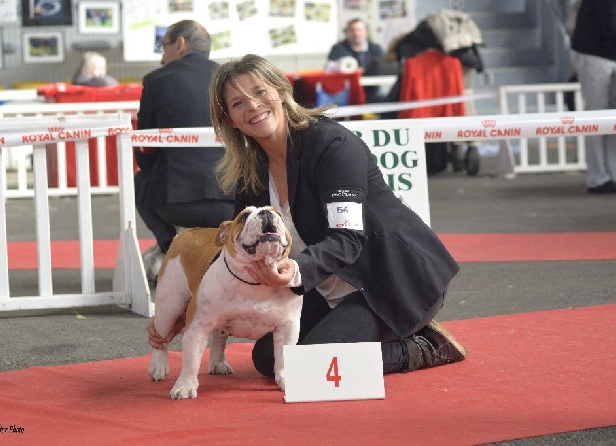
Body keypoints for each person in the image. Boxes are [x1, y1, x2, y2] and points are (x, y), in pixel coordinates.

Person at [147, 54, 467, 376]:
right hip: (323, 285)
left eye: (259, 92)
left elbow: (348, 237)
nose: (253, 106)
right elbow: (240, 245)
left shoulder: (331, 144)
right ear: (229, 119)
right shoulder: (251, 172)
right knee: (269, 361)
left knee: (308, 368)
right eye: (237, 103)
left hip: (391, 280)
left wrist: (297, 269)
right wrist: (191, 308)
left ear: (281, 89)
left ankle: (424, 346)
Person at [135, 20, 235, 285]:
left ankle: (172, 248)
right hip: (234, 200)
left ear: (179, 45)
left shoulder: (157, 80)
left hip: (176, 203)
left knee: (139, 181)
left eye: (163, 46)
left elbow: (145, 151)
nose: (161, 55)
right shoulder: (230, 77)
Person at [570, 0, 616, 194]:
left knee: (612, 120)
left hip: (605, 53)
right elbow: (608, 21)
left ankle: (612, 174)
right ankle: (597, 177)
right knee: (596, 118)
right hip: (594, 55)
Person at [327, 18, 384, 102]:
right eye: (352, 30)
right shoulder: (338, 48)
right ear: (347, 32)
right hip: (347, 93)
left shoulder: (375, 48)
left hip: (372, 92)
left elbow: (383, 68)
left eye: (359, 30)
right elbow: (329, 69)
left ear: (366, 32)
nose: (356, 33)